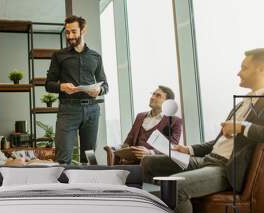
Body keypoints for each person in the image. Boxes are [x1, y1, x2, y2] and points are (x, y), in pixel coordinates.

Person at [142, 48, 264, 213]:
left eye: (244, 68)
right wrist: (188, 149)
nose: (238, 73)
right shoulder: (242, 103)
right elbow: (217, 142)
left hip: (227, 169)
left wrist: (242, 127)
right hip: (207, 160)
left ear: (261, 69)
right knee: (149, 162)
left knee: (175, 186)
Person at [45, 15, 108, 164]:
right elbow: (48, 84)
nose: (70, 36)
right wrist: (62, 86)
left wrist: (99, 91)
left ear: (83, 30)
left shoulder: (95, 57)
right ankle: (63, 187)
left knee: (89, 157)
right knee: (63, 157)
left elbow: (105, 85)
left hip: (92, 110)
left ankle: (88, 186)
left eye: (74, 32)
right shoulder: (59, 56)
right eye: (67, 32)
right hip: (68, 110)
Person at [114, 85, 182, 164]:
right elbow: (129, 140)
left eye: (158, 96)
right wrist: (121, 152)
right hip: (133, 161)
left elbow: (172, 147)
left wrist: (150, 153)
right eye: (153, 94)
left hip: (154, 163)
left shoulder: (175, 121)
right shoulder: (140, 116)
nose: (152, 97)